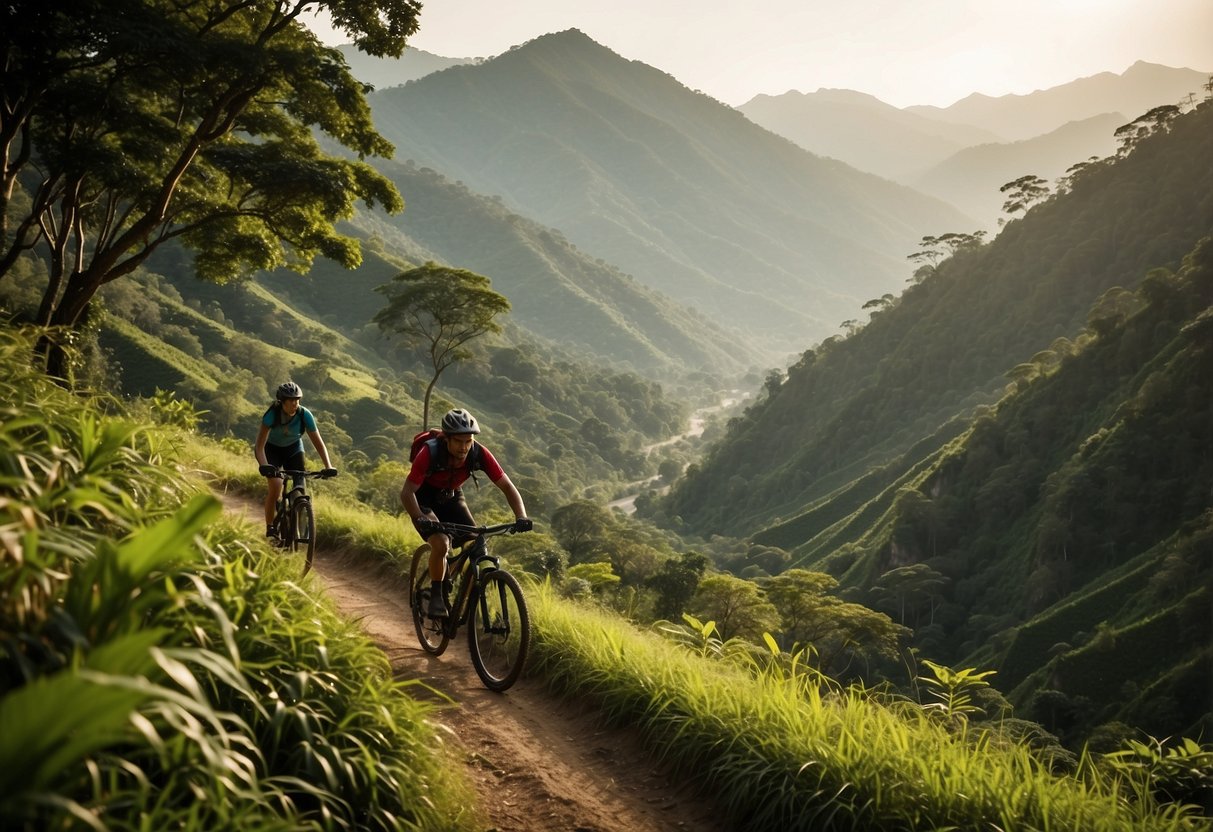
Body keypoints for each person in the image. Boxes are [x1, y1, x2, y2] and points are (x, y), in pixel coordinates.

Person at [401, 407, 531, 618]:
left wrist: (521, 516)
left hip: (451, 496)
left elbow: (507, 486)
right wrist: (420, 518)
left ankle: (461, 602)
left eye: (468, 441)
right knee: (442, 543)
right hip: (423, 497)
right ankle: (436, 594)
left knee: (477, 545)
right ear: (447, 440)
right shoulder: (429, 453)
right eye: (459, 442)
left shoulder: (479, 453)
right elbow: (407, 493)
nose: (464, 447)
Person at [255, 381, 337, 540]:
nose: (295, 404)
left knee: (300, 487)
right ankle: (270, 526)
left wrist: (328, 465)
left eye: (297, 400)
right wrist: (264, 465)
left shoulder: (304, 415)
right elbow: (259, 446)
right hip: (272, 450)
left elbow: (319, 443)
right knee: (276, 485)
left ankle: (296, 521)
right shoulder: (271, 415)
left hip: (294, 449)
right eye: (291, 401)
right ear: (282, 402)